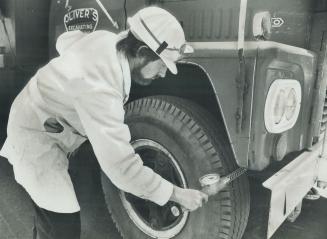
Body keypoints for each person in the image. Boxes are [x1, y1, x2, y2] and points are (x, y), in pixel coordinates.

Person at [0, 6, 209, 239]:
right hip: (35, 134)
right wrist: (177, 194)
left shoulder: (110, 40)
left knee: (52, 220)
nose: (163, 74)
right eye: (162, 64)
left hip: (49, 120)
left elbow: (65, 41)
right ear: (141, 51)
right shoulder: (100, 87)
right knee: (61, 227)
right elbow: (121, 167)